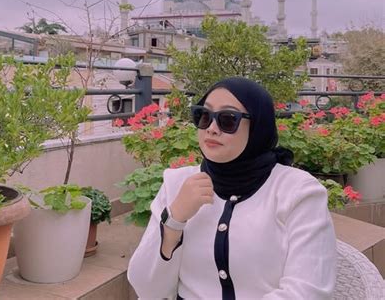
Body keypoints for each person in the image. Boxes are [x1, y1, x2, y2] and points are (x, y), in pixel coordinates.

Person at [127, 77, 337, 299]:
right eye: (204, 116)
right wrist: (174, 219)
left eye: (227, 120)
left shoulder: (298, 193)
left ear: (257, 127)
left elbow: (307, 291)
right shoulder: (177, 184)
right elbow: (146, 289)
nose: (212, 129)